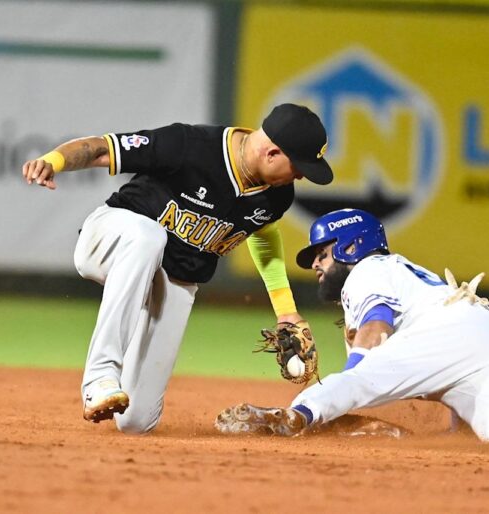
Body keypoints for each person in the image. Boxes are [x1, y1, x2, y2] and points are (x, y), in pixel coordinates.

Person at [21, 104, 333, 434]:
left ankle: (117, 395)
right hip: (111, 239)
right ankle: (100, 375)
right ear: (272, 152)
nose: (300, 175)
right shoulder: (189, 145)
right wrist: (53, 161)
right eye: (298, 166)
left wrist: (286, 311)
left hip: (173, 280)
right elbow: (101, 148)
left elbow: (263, 233)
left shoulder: (278, 196)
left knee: (137, 422)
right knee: (149, 238)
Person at [215, 208, 489, 452]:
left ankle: (290, 418)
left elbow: (377, 322)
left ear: (351, 247)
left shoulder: (366, 271)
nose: (316, 265)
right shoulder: (400, 272)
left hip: (452, 335)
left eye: (322, 253)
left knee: (355, 379)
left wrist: (353, 377)